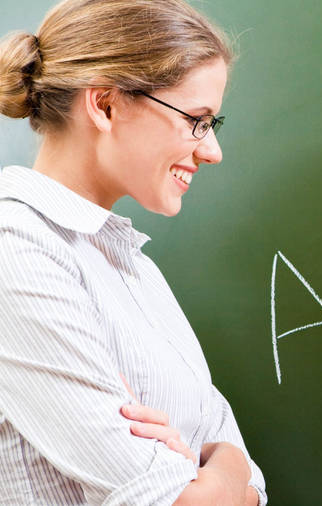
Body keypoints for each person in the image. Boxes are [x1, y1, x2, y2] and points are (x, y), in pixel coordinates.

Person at [0, 0, 265, 504]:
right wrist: (220, 469)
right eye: (197, 120)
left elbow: (245, 468)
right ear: (105, 105)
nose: (212, 151)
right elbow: (188, 499)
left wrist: (224, 467)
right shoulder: (15, 249)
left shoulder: (133, 266)